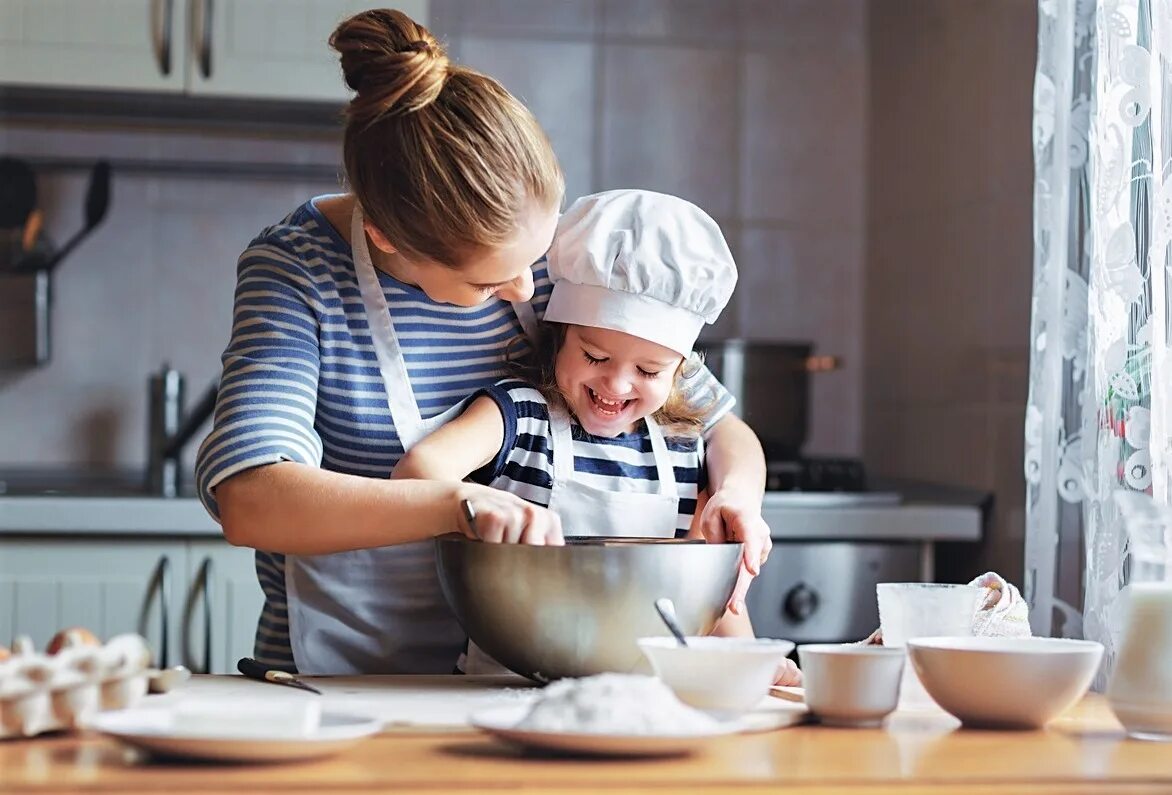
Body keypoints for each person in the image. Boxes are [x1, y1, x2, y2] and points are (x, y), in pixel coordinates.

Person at [195, 8, 771, 676]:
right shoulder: (299, 272)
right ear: (387, 238)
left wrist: (736, 495)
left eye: (536, 258)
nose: (529, 291)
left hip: (523, 684)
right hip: (346, 682)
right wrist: (454, 504)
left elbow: (716, 422)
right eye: (491, 280)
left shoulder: (567, 261)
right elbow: (252, 498)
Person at [393, 189, 802, 685]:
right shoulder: (520, 415)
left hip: (648, 696)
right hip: (505, 684)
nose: (617, 384)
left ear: (682, 373)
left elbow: (732, 444)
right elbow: (417, 472)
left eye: (649, 370)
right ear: (559, 336)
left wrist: (736, 499)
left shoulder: (681, 443)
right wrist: (475, 506)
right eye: (594, 357)